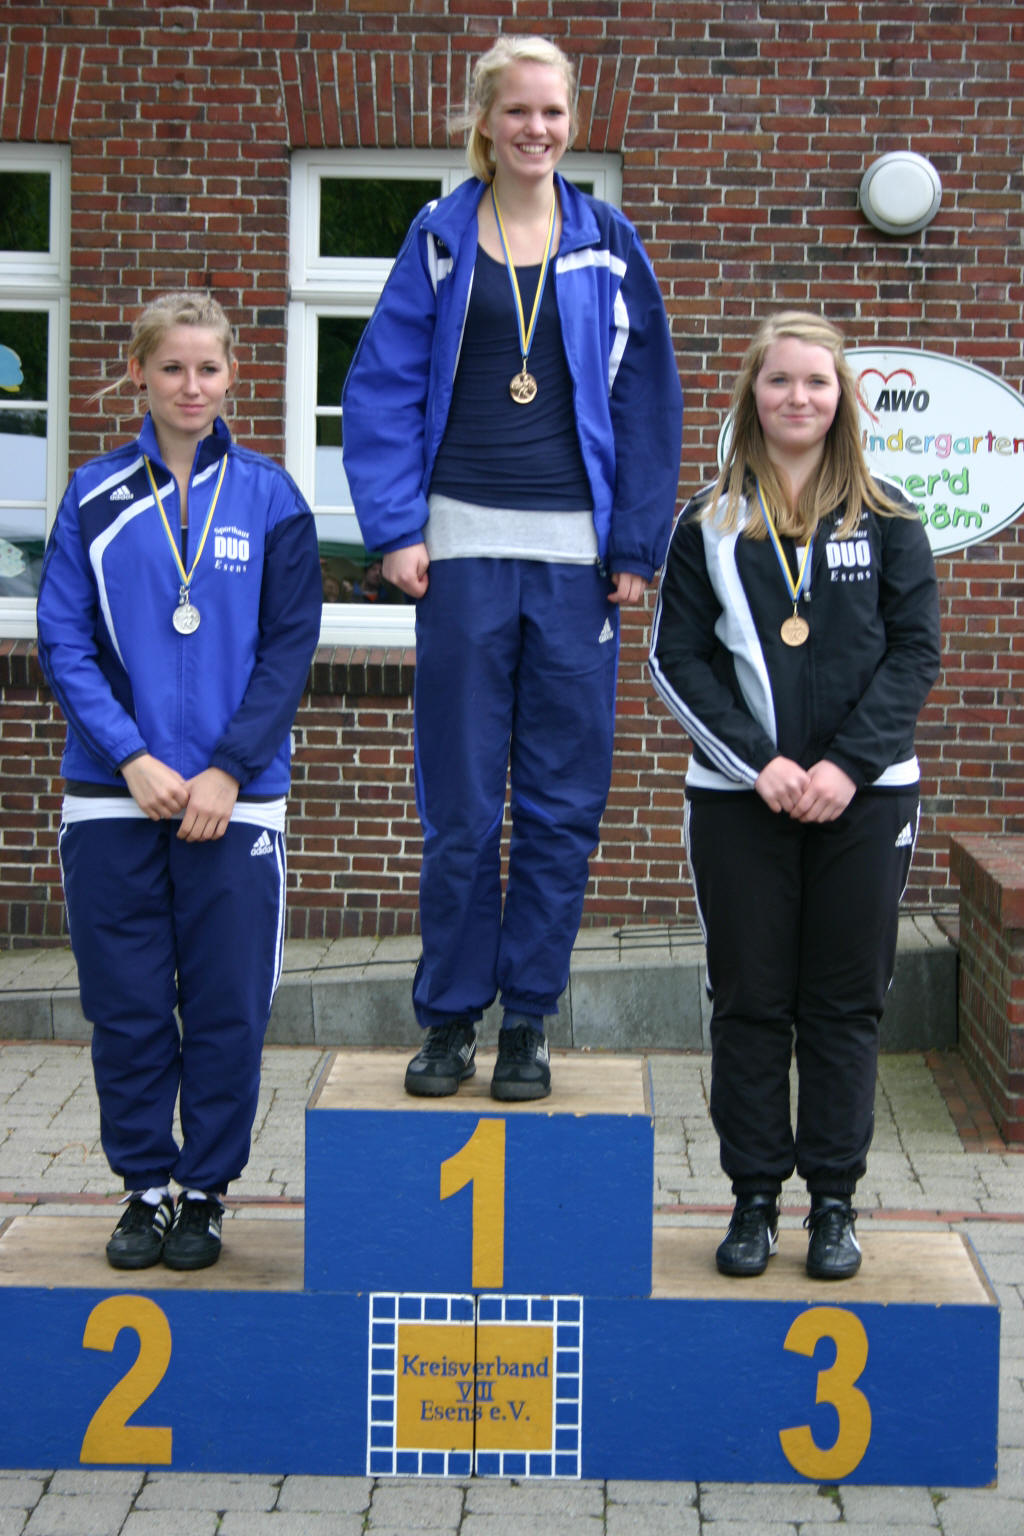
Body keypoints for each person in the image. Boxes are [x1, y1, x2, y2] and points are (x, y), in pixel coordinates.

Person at [342, 35, 683, 1102]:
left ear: (571, 123)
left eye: (553, 112)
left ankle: (528, 1017)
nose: (537, 129)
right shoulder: (440, 237)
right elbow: (381, 386)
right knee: (461, 812)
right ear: (484, 122)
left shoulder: (608, 243)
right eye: (518, 111)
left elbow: (646, 402)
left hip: (576, 569)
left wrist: (635, 546)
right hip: (460, 561)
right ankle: (449, 1017)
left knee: (559, 806)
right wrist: (395, 529)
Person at [649, 311, 940, 1280]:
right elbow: (675, 659)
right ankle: (752, 1200)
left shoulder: (890, 516)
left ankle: (833, 1204)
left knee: (845, 1006)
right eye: (779, 380)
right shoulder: (706, 522)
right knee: (749, 1002)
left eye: (817, 382)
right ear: (752, 395)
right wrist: (758, 764)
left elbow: (914, 654)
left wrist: (846, 766)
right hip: (743, 802)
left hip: (865, 800)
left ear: (843, 398)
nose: (798, 398)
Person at [36, 292, 322, 1271]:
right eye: (171, 368)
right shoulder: (93, 495)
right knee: (125, 1006)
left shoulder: (274, 498)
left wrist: (228, 770)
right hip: (113, 793)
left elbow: (288, 648)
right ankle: (144, 1189)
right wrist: (132, 757)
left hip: (237, 801)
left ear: (233, 374)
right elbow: (63, 640)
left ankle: (204, 1193)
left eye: (207, 368)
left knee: (227, 1007)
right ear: (139, 375)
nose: (190, 386)